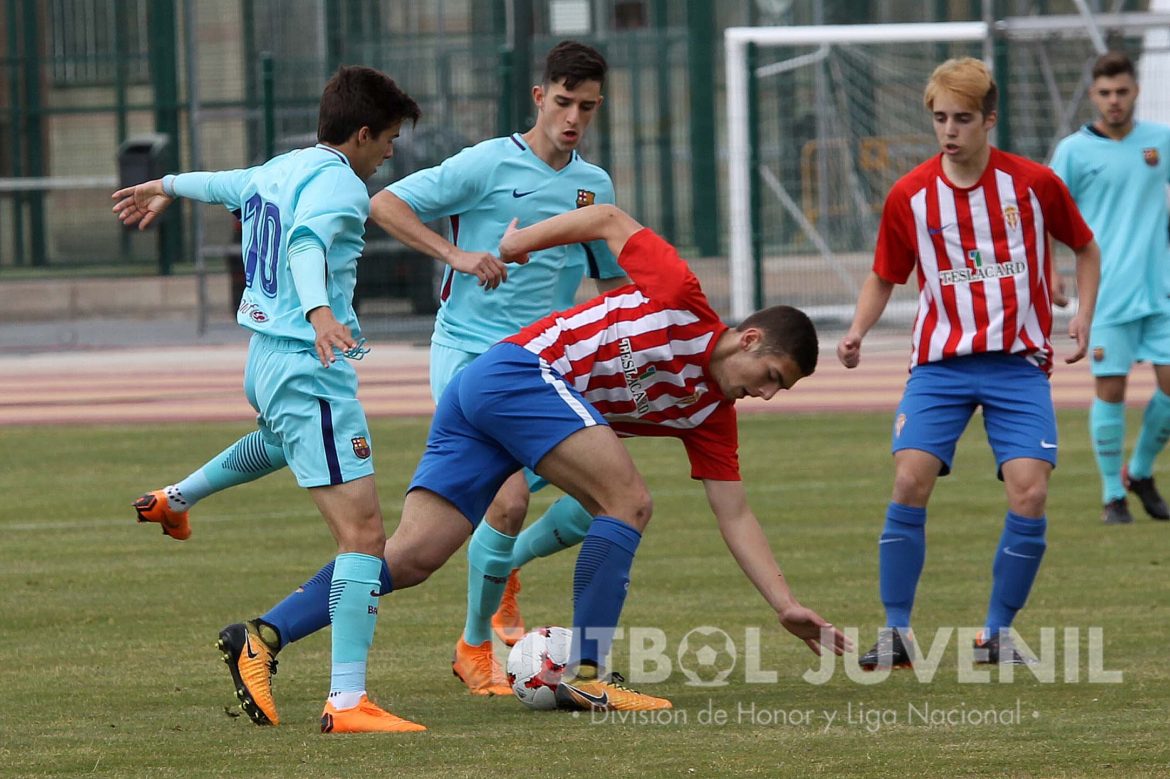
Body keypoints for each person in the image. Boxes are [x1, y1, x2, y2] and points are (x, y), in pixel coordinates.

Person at [131, 42, 628, 700]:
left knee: (568, 504)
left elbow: (229, 183)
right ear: (540, 96)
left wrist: (166, 185)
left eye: (586, 107)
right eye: (563, 101)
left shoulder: (593, 186)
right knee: (409, 524)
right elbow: (345, 223)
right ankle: (398, 676)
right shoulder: (418, 171)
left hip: (520, 365)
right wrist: (335, 305)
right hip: (436, 358)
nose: (573, 117)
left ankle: (193, 515)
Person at [227, 202, 852, 723]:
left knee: (412, 557)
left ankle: (262, 635)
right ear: (749, 339)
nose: (767, 394)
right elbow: (607, 218)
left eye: (780, 390)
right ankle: (587, 673)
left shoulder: (711, 417)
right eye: (771, 376)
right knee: (628, 501)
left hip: (499, 403)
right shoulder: (682, 298)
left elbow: (735, 514)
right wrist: (519, 242)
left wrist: (784, 605)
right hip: (516, 373)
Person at [113, 66, 427, 733]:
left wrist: (166, 185)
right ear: (363, 134)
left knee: (284, 443)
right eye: (389, 139)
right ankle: (348, 701)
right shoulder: (341, 182)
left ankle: (177, 497)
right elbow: (308, 241)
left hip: (264, 358)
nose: (390, 153)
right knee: (365, 537)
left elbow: (226, 182)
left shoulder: (285, 166)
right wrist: (318, 311)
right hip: (307, 363)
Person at [835, 57, 1101, 670]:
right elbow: (884, 275)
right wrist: (855, 332)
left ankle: (997, 635)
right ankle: (896, 632)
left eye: (961, 119)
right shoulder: (911, 195)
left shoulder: (1033, 185)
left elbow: (1084, 247)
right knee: (909, 479)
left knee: (1030, 494)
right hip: (941, 365)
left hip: (1016, 365)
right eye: (939, 119)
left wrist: (1082, 314)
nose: (949, 130)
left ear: (989, 120)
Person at [1050, 51, 1170, 526]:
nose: (1114, 100)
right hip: (1107, 292)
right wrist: (1051, 269)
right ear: (1093, 95)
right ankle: (1110, 497)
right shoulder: (1073, 151)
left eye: (1122, 91)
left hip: (1159, 289)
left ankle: (1139, 472)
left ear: (1135, 91)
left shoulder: (1159, 141)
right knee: (1112, 389)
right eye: (1105, 93)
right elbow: (1046, 214)